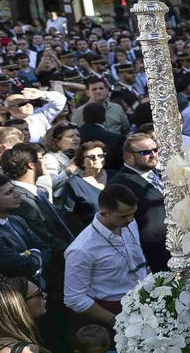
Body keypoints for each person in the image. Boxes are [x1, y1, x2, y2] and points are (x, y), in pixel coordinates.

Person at [63, 184, 149, 327]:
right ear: (104, 213)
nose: (130, 219)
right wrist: (114, 321)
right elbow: (74, 298)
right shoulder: (81, 250)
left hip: (144, 301)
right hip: (112, 311)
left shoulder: (129, 224)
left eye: (132, 213)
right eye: (123, 216)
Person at [110, 132, 167, 272]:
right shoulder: (119, 185)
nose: (153, 155)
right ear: (129, 157)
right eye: (145, 152)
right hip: (153, 256)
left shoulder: (161, 173)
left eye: (155, 150)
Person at [54, 140, 109, 234]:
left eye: (100, 155)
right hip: (91, 234)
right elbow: (69, 216)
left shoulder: (114, 176)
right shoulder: (74, 184)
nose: (96, 159)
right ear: (82, 162)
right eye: (91, 157)